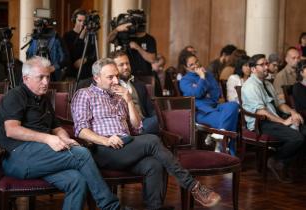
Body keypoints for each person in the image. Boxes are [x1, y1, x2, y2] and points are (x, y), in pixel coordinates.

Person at [71, 58, 221, 210]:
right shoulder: (85, 94)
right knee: (152, 140)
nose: (116, 80)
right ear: (96, 78)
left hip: (125, 146)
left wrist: (129, 101)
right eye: (110, 77)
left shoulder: (120, 96)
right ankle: (194, 187)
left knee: (154, 165)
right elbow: (81, 130)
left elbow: (137, 128)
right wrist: (105, 140)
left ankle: (154, 208)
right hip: (103, 149)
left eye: (116, 76)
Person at [0, 56, 130, 210]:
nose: (46, 82)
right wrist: (48, 139)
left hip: (42, 157)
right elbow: (12, 130)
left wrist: (66, 139)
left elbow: (57, 128)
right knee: (82, 154)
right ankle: (111, 206)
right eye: (41, 78)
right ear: (26, 78)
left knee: (77, 180)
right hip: (16, 158)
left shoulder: (43, 99)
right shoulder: (16, 95)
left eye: (48, 77)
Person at [241, 54, 306, 183]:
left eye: (266, 63)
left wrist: (292, 113)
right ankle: (276, 160)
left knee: (305, 132)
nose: (267, 67)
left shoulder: (267, 84)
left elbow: (279, 104)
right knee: (297, 137)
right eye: (263, 64)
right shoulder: (250, 86)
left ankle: (283, 163)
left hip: (274, 119)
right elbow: (261, 112)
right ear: (253, 69)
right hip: (261, 123)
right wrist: (283, 122)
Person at [178, 51, 239, 155]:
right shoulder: (184, 81)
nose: (196, 65)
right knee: (231, 121)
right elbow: (197, 93)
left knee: (234, 105)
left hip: (215, 106)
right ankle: (227, 152)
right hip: (202, 112)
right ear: (186, 67)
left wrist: (203, 85)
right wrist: (202, 78)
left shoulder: (208, 75)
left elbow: (216, 94)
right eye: (191, 64)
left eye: (196, 61)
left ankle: (219, 137)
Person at [109, 50, 159, 134]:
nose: (126, 67)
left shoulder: (139, 84)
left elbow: (150, 109)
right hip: (128, 126)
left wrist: (157, 117)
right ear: (113, 68)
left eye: (127, 63)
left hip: (145, 122)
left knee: (162, 117)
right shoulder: (111, 86)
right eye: (121, 65)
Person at [108, 10, 156, 76]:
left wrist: (138, 48)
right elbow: (109, 40)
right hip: (127, 74)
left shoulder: (149, 39)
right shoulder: (126, 36)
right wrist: (117, 29)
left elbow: (152, 59)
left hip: (144, 75)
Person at [63, 9, 97, 81]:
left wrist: (84, 59)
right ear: (74, 20)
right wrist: (81, 36)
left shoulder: (91, 36)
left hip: (88, 74)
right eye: (79, 20)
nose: (82, 24)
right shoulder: (68, 36)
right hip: (73, 74)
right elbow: (71, 54)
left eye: (84, 21)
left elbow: (94, 55)